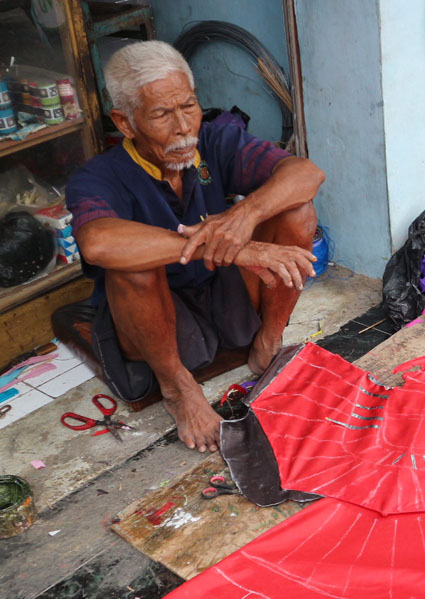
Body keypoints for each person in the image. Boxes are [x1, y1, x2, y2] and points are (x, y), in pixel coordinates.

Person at [67, 41, 324, 453]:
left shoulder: (215, 141)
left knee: (297, 210)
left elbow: (306, 173)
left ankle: (269, 341)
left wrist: (245, 215)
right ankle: (177, 388)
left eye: (188, 106)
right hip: (151, 310)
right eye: (161, 114)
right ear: (125, 122)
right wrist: (235, 248)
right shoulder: (97, 177)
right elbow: (97, 242)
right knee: (131, 263)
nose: (184, 127)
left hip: (218, 287)